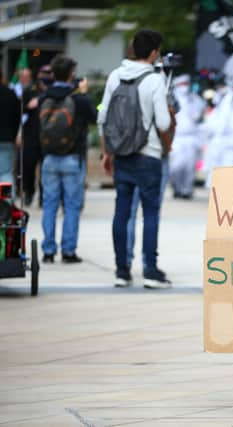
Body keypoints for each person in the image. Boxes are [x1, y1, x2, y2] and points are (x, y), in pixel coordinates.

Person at [98, 29, 173, 289]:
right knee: (150, 214)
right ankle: (150, 272)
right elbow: (163, 121)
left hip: (122, 155)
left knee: (122, 213)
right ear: (153, 53)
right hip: (148, 155)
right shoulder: (155, 80)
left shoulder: (115, 76)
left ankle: (122, 270)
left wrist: (107, 152)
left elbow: (103, 116)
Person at [40, 55, 97, 264]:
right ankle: (68, 250)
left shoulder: (44, 96)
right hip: (72, 158)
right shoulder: (78, 99)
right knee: (72, 206)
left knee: (49, 205)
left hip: (49, 159)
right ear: (72, 74)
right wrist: (86, 95)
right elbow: (95, 116)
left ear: (53, 74)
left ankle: (48, 250)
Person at [15, 65, 52, 207]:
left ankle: (43, 196)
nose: (46, 76)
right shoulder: (30, 90)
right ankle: (29, 192)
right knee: (28, 166)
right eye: (44, 72)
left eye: (49, 73)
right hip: (31, 134)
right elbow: (21, 109)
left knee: (46, 169)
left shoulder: (52, 91)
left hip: (47, 135)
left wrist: (40, 99)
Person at [168, 74, 205, 199]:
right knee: (176, 166)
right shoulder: (171, 99)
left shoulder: (195, 99)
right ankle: (176, 187)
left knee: (190, 166)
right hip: (176, 137)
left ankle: (187, 189)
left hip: (191, 137)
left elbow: (200, 116)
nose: (184, 87)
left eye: (186, 84)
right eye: (181, 84)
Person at [0, 70, 21, 196]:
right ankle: (6, 206)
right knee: (6, 173)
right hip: (6, 139)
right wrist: (13, 136)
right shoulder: (11, 94)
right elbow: (17, 118)